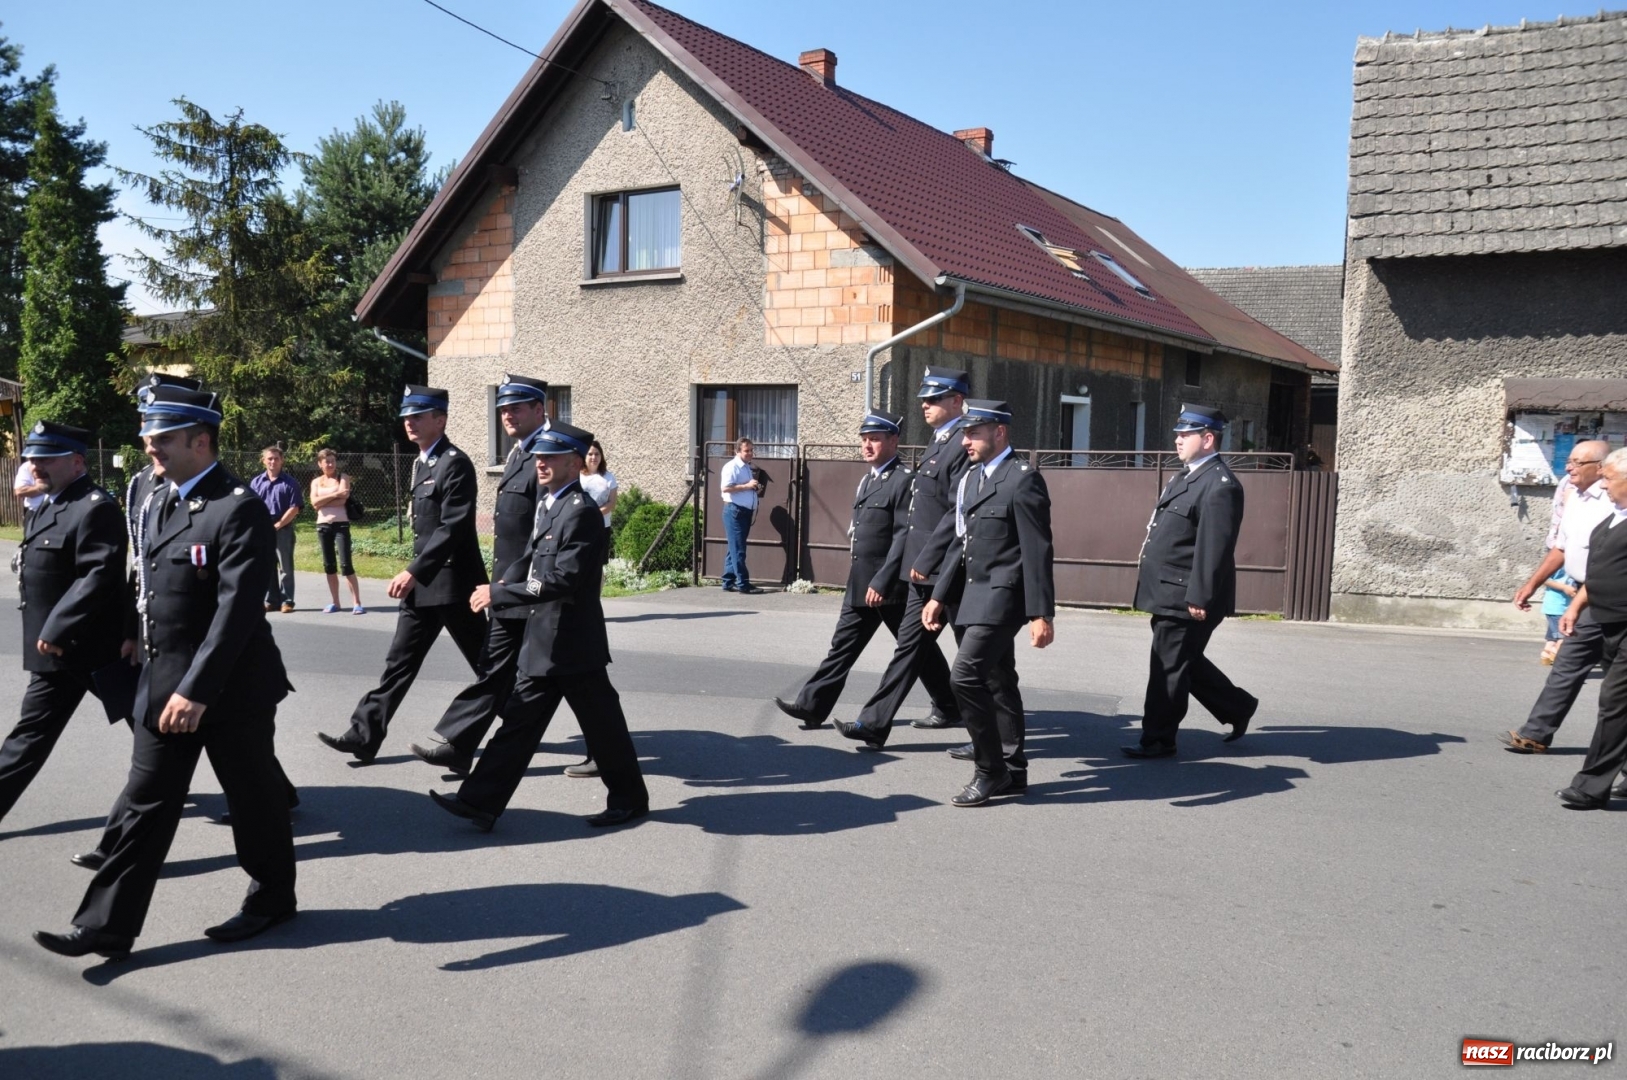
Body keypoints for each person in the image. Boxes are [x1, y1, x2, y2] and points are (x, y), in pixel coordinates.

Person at [34, 386, 298, 960]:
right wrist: (135, 634)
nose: (149, 446)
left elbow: (236, 612)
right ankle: (105, 925)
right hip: (162, 682)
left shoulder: (238, 506)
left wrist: (197, 691)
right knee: (147, 803)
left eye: (161, 438)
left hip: (230, 689)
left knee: (254, 801)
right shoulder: (158, 500)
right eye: (150, 437)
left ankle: (273, 898)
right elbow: (148, 585)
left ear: (200, 441)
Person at [429, 421, 649, 830]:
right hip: (544, 638)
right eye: (539, 456)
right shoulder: (551, 505)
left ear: (574, 463)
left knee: (604, 730)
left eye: (550, 457)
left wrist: (503, 595)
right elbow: (528, 561)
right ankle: (479, 802)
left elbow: (563, 579)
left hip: (573, 644)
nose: (540, 463)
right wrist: (498, 585)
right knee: (518, 724)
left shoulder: (580, 513)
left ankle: (630, 800)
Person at [318, 385, 489, 763]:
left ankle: (518, 726)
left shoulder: (454, 462)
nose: (409, 422)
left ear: (440, 419)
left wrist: (412, 571)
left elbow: (453, 527)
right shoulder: (423, 462)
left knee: (489, 666)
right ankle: (364, 735)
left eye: (418, 415)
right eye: (406, 416)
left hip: (453, 585)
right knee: (399, 664)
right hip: (423, 589)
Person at [409, 374, 548, 778]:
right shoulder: (520, 453)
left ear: (540, 410)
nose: (507, 415)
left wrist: (507, 586)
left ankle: (604, 749)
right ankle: (461, 746)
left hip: (530, 590)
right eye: (502, 409)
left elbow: (542, 532)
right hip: (508, 586)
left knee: (573, 680)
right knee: (495, 668)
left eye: (516, 408)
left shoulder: (546, 454)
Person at [921, 399, 1054, 806]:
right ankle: (1014, 770)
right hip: (972, 594)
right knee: (998, 679)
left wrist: (1040, 613)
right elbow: (962, 543)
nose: (966, 441)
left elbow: (1037, 550)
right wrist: (939, 595)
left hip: (1004, 597)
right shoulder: (971, 479)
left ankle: (989, 770)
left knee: (964, 678)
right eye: (964, 433)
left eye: (974, 433)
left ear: (1000, 432)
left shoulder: (1023, 479)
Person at [0, 423, 127, 828]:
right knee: (31, 736)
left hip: (87, 646)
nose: (35, 465)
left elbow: (98, 576)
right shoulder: (51, 503)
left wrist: (56, 629)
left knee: (160, 727)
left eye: (45, 458)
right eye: (32, 458)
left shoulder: (94, 507)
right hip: (58, 649)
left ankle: (266, 790)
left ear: (76, 462)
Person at [841, 366, 971, 744]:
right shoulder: (939, 441)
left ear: (957, 400)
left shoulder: (962, 442)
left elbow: (954, 513)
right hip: (922, 570)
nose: (925, 406)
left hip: (948, 569)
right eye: (923, 400)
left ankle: (993, 737)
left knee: (981, 663)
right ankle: (874, 723)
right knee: (909, 649)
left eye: (934, 399)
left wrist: (926, 559)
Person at [1124, 405, 1258, 759]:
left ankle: (1158, 739)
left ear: (1208, 439)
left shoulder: (1220, 486)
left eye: (1186, 434)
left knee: (1168, 666)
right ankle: (1237, 707)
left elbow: (1214, 549)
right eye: (1178, 433)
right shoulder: (1188, 476)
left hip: (1187, 595)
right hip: (1170, 590)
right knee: (1182, 660)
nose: (1177, 439)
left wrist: (1199, 596)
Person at [774, 411, 911, 735]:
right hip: (860, 581)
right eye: (864, 439)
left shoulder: (904, 480)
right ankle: (812, 704)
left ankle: (947, 703)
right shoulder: (869, 479)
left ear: (893, 440)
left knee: (916, 651)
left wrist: (883, 579)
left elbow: (904, 535)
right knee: (843, 646)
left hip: (886, 586)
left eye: (875, 439)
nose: (867, 445)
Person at [1502, 441, 1615, 753]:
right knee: (1567, 664)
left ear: (1601, 466)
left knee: (1616, 681)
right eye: (1570, 460)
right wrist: (1533, 583)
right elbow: (1561, 548)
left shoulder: (1615, 500)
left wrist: (1577, 604)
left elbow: (1607, 562)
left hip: (1609, 595)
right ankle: (1535, 734)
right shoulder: (1572, 494)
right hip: (1585, 595)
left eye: (1579, 463)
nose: (1570, 468)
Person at [1555, 447, 1627, 808]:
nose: (1603, 483)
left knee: (1614, 704)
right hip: (1605, 620)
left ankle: (1590, 786)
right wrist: (1578, 606)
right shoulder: (1614, 515)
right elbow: (1598, 571)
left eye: (1609, 478)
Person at [308, 448, 364, 614]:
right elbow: (314, 503)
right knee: (329, 565)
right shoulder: (316, 482)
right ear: (320, 464)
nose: (330, 464)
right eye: (327, 461)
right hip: (323, 525)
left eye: (333, 461)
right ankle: (335, 602)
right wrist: (335, 494)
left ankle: (357, 603)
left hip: (341, 525)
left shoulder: (343, 477)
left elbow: (344, 499)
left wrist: (324, 500)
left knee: (346, 565)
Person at [251, 445, 302, 613]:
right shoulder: (256, 482)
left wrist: (279, 525)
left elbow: (294, 508)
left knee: (285, 568)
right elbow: (252, 506)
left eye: (276, 458)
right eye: (269, 458)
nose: (273, 461)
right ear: (263, 461)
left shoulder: (290, 483)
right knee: (267, 566)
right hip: (263, 529)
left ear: (282, 461)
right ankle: (271, 600)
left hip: (283, 528)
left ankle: (287, 601)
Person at [719, 437, 761, 594]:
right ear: (737, 451)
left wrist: (753, 488)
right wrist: (747, 486)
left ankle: (728, 581)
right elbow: (725, 488)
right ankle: (743, 584)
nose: (750, 453)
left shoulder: (746, 467)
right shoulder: (732, 467)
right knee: (739, 549)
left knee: (734, 548)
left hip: (744, 511)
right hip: (734, 511)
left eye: (751, 450)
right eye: (746, 450)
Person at [1540, 567, 1577, 664]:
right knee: (1564, 636)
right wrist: (1565, 587)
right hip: (1557, 608)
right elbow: (1544, 579)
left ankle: (1546, 654)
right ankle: (1559, 657)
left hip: (1560, 607)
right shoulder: (1559, 563)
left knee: (1553, 636)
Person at [580, 440, 619, 529]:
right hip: (581, 524)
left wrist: (593, 516)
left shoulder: (609, 477)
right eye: (590, 454)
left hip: (602, 525)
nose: (594, 457)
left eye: (597, 454)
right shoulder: (577, 476)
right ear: (584, 456)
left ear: (601, 456)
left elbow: (612, 503)